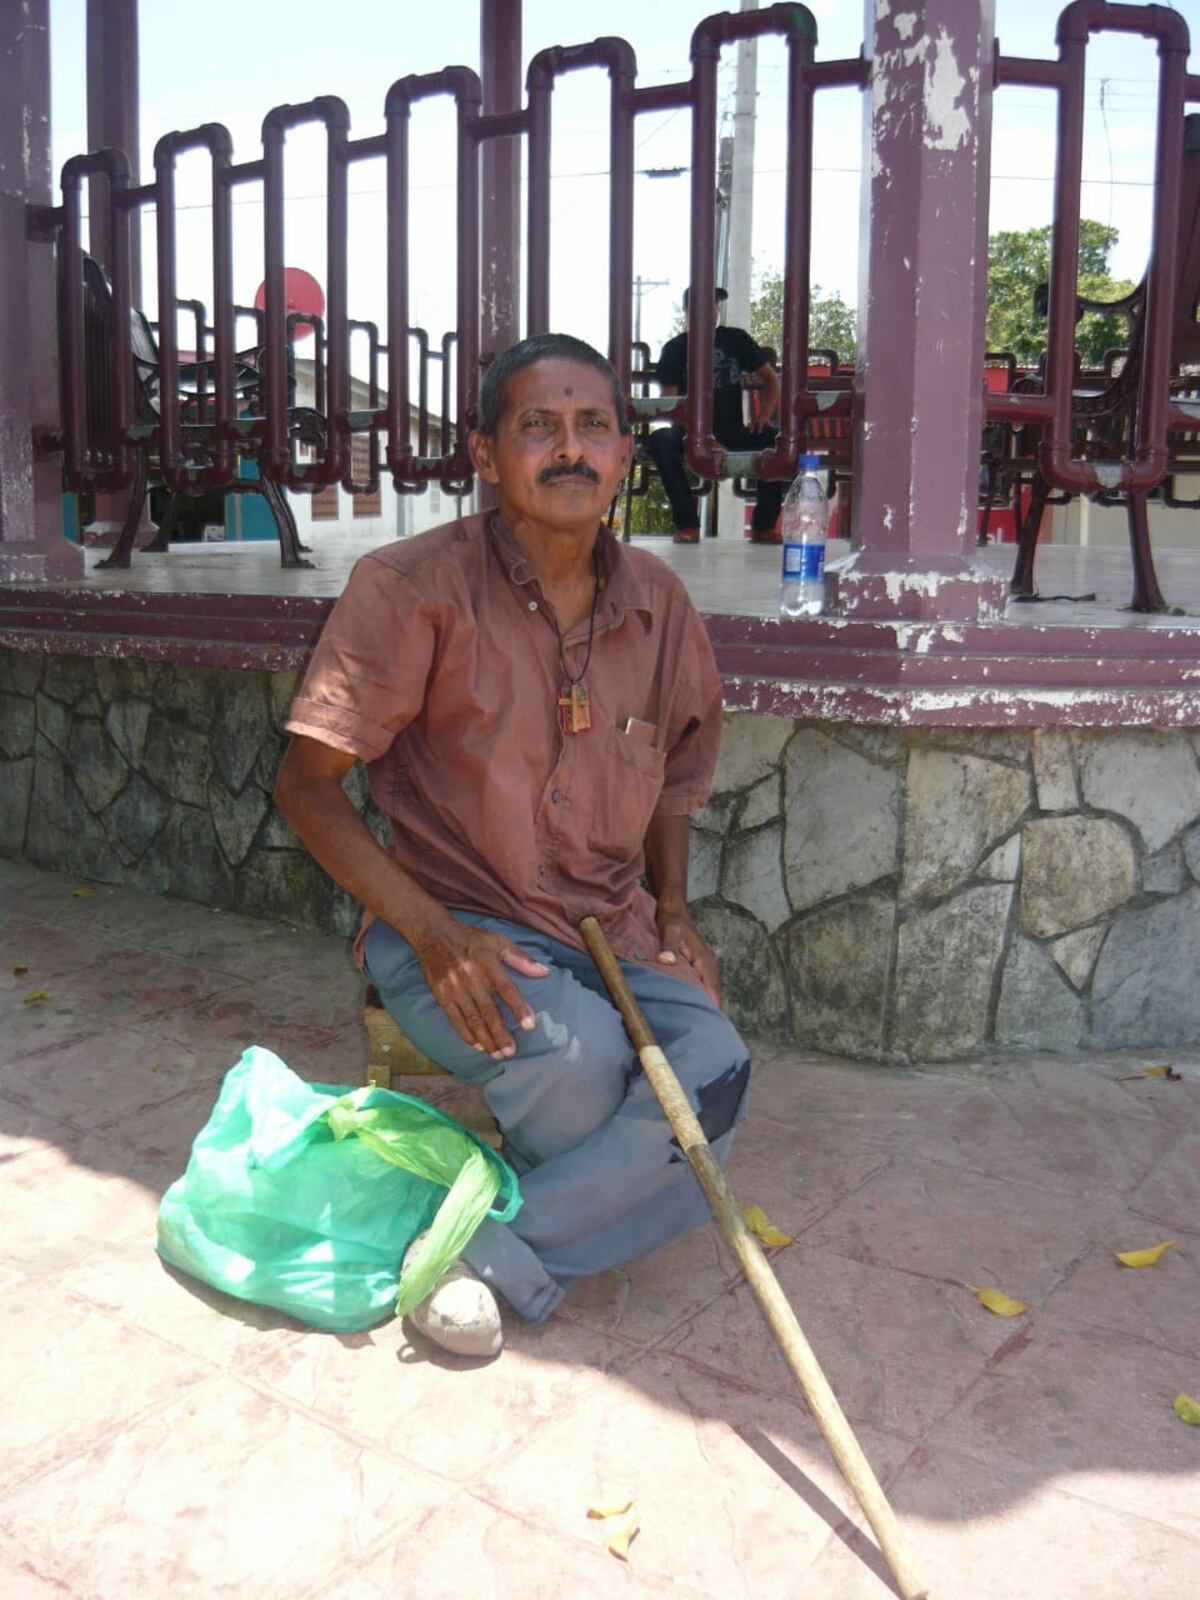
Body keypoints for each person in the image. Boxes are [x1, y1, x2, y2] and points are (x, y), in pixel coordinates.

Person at [275, 332, 751, 1359]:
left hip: (612, 923)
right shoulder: (411, 588)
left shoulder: (660, 604)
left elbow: (675, 774)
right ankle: (598, 1200)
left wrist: (672, 914)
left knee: (715, 1063)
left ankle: (489, 1252)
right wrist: (434, 934)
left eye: (593, 427)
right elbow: (305, 789)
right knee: (585, 1073)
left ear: (626, 453)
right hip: (450, 919)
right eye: (539, 426)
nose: (569, 450)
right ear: (486, 454)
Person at [648, 286, 784, 544]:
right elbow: (671, 404)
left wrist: (764, 415)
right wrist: (701, 437)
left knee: (775, 438)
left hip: (732, 431)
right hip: (690, 435)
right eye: (702, 304)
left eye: (714, 304)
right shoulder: (675, 349)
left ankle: (763, 526)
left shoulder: (736, 340)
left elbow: (771, 380)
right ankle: (687, 524)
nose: (711, 309)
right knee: (661, 440)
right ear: (687, 311)